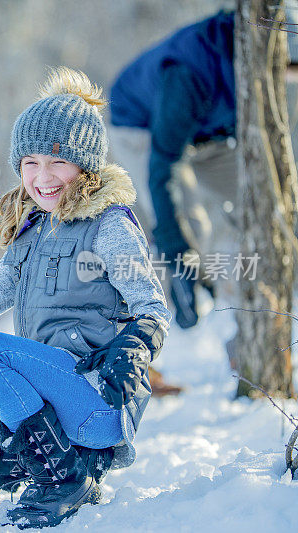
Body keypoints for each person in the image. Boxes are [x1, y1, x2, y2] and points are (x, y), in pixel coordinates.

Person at [0, 67, 171, 528]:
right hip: (43, 404)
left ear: (85, 165)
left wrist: (136, 345)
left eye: (57, 161)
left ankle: (63, 479)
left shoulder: (110, 226)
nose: (42, 177)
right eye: (29, 163)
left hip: (91, 396)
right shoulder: (30, 236)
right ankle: (53, 462)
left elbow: (152, 306)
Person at [108, 10, 235, 331]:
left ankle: (236, 308)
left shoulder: (256, 78)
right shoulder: (189, 75)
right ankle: (161, 322)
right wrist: (178, 253)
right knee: (188, 224)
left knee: (258, 199)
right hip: (142, 126)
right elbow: (162, 169)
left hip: (205, 130)